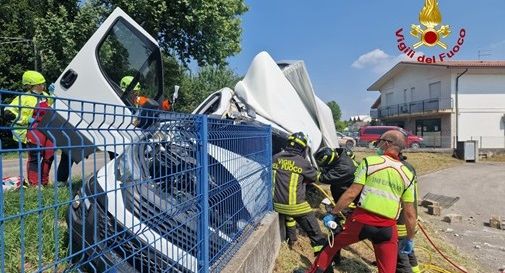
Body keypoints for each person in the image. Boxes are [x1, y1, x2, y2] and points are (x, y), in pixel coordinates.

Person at [305, 130, 417, 273]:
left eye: (380, 141)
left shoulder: (370, 162)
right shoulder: (408, 174)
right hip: (387, 228)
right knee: (388, 270)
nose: (377, 144)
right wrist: (410, 239)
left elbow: (351, 193)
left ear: (387, 143)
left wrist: (333, 213)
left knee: (331, 246)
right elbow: (410, 213)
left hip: (361, 221)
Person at [272, 132, 326, 254]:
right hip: (296, 207)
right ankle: (323, 260)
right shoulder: (302, 162)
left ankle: (292, 240)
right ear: (303, 148)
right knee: (316, 234)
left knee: (290, 216)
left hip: (277, 206)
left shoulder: (275, 158)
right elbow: (313, 178)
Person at [4, 70, 55, 186]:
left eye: (43, 84)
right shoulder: (24, 98)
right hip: (33, 129)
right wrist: (25, 120)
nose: (43, 86)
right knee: (35, 157)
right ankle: (35, 184)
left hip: (47, 128)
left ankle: (44, 182)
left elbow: (51, 104)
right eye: (40, 84)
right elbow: (8, 111)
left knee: (49, 155)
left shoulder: (45, 96)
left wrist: (52, 95)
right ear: (32, 85)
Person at [314, 147, 359, 265]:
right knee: (337, 230)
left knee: (336, 231)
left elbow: (322, 178)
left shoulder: (344, 168)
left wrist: (308, 172)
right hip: (346, 200)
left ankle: (331, 259)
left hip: (350, 204)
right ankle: (334, 258)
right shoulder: (341, 156)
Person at [396, 153, 420, 273]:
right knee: (407, 249)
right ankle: (415, 270)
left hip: (401, 218)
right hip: (410, 216)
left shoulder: (398, 169)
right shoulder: (408, 167)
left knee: (400, 256)